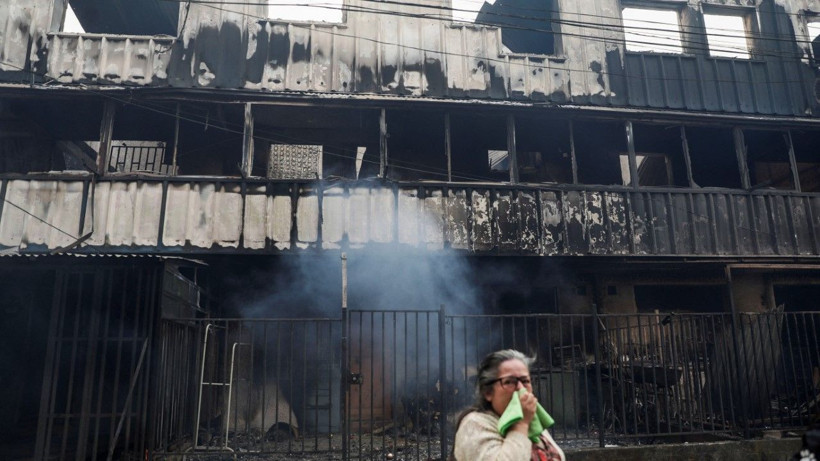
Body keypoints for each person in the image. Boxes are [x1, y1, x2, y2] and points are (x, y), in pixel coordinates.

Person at [453, 349, 565, 461]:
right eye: (509, 382)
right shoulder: (475, 424)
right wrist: (521, 424)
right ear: (488, 392)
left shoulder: (532, 420)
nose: (521, 388)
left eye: (525, 381)